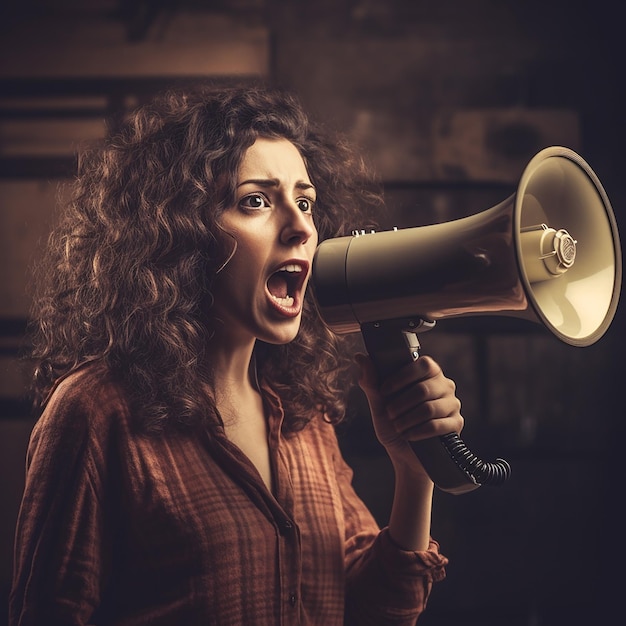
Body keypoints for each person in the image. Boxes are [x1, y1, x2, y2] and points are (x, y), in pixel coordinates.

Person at [9, 84, 464, 626]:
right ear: (182, 232)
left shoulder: (303, 420)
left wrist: (414, 475)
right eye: (256, 201)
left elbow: (370, 612)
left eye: (305, 202)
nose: (300, 227)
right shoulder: (95, 414)